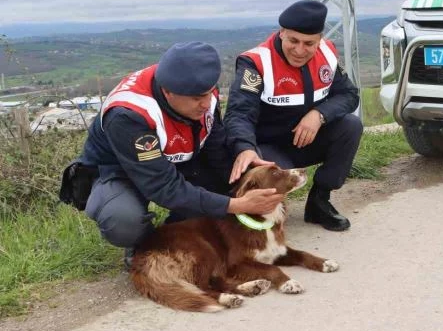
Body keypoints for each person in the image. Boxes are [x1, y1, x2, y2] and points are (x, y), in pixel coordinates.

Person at [59, 42, 285, 266]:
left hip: (181, 159)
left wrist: (241, 179)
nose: (206, 104)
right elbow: (163, 187)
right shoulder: (128, 115)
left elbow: (215, 146)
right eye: (198, 99)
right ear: (168, 92)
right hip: (122, 171)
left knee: (232, 184)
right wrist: (237, 205)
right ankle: (144, 244)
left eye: (209, 94)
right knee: (123, 221)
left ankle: (180, 228)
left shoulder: (198, 87)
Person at [225, 0, 363, 232]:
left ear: (319, 39)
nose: (300, 50)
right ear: (282, 33)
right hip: (265, 147)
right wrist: (244, 147)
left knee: (350, 125)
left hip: (305, 140)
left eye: (309, 43)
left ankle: (319, 201)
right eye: (293, 40)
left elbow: (349, 95)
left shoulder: (327, 53)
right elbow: (239, 114)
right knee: (276, 179)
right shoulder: (256, 62)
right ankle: (257, 217)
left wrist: (319, 114)